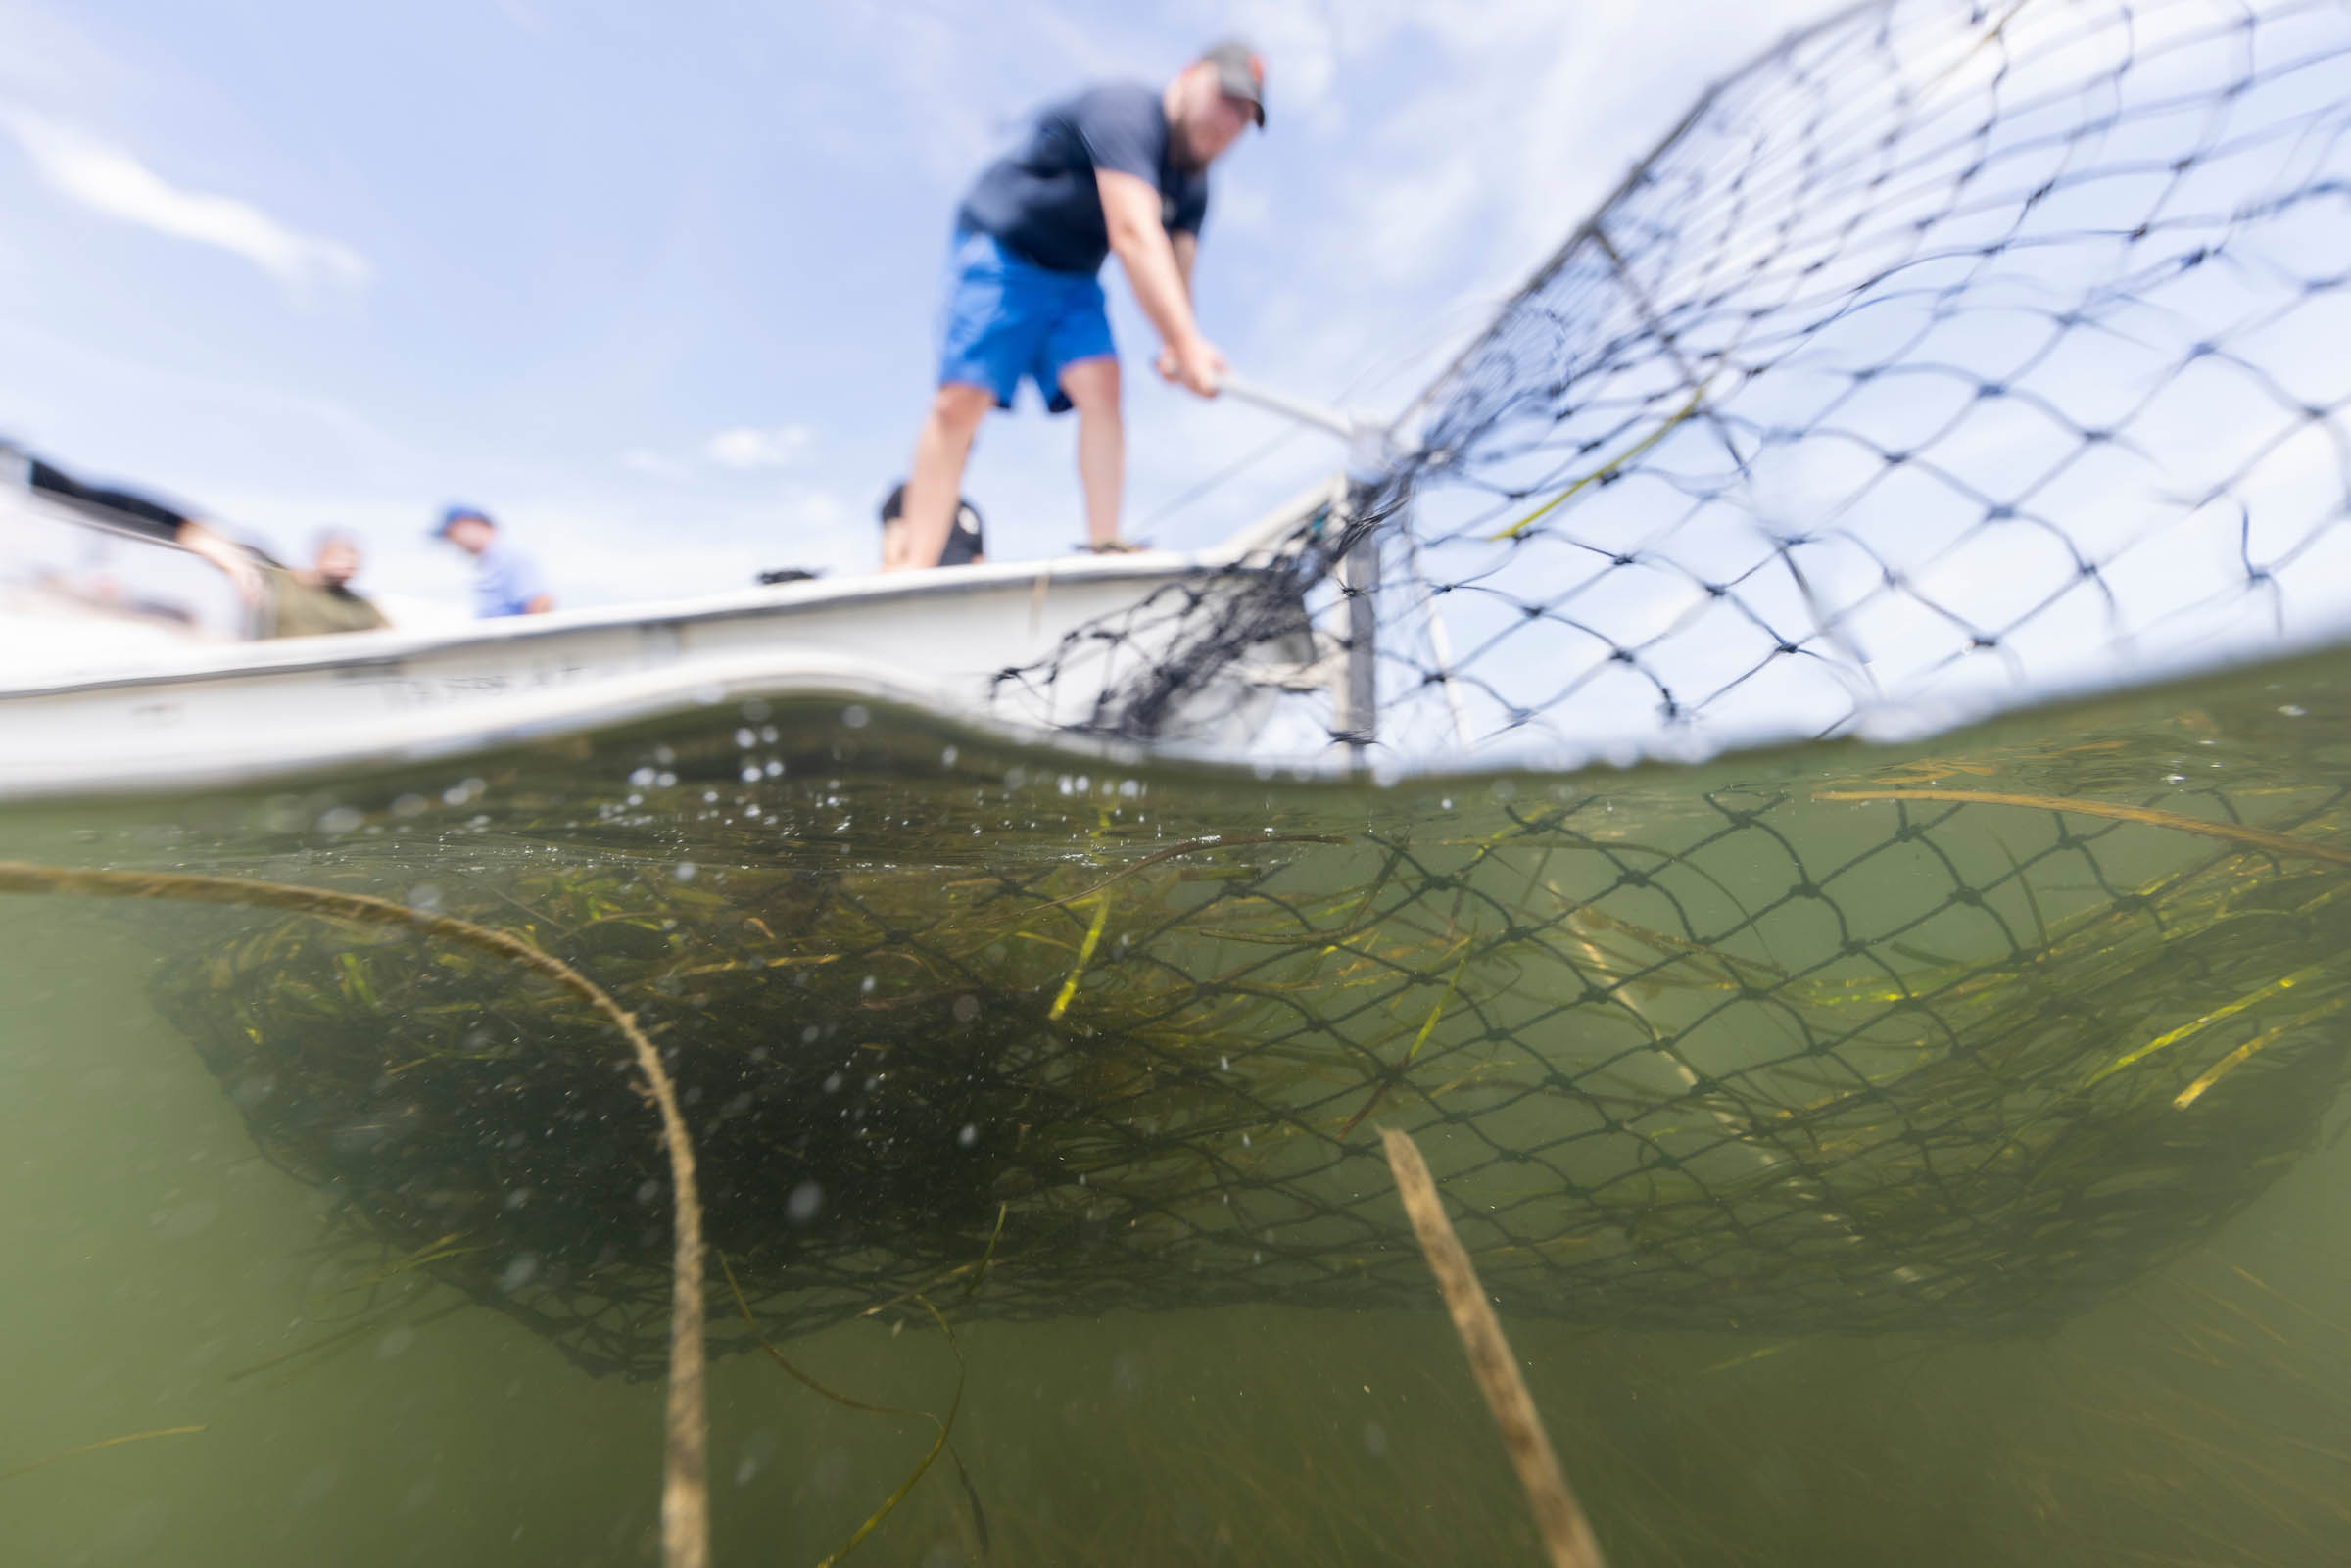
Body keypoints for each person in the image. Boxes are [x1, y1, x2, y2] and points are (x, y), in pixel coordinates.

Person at [888, 39, 1265, 572]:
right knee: (960, 402)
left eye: (1246, 115)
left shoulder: (1196, 187)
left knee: (1103, 386)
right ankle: (915, 564)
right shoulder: (1126, 112)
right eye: (1226, 99)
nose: (1231, 122)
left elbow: (1178, 273)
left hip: (1073, 280)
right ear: (1188, 77)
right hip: (1005, 252)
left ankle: (1105, 544)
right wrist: (1184, 342)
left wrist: (1178, 343)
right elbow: (1133, 234)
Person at [260, 531, 391, 638]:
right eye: (339, 558)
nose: (347, 565)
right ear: (320, 556)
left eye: (352, 564)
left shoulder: (358, 605)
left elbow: (388, 634)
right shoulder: (282, 580)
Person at [431, 504, 553, 617]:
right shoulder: (488, 563)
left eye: (452, 533)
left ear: (470, 524)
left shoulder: (511, 556)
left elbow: (541, 601)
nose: (453, 542)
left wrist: (529, 640)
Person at [878, 481, 984, 568]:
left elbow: (978, 559)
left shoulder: (967, 510)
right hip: (923, 579)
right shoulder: (908, 494)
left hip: (963, 584)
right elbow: (894, 539)